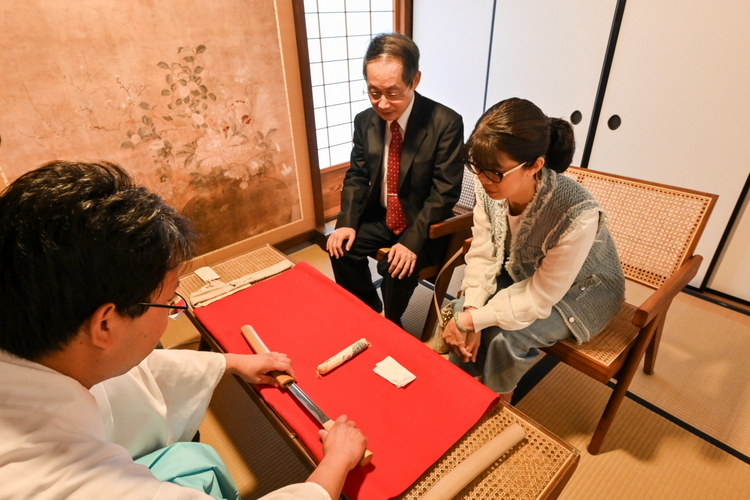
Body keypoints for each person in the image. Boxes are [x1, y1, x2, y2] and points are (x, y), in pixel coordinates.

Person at [0, 161, 367, 500]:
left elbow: (127, 376)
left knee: (195, 460)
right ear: (105, 324)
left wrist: (231, 363)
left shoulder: (39, 349)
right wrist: (336, 461)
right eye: (170, 301)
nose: (173, 312)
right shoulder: (69, 484)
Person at [442, 98, 626, 402]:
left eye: (496, 172)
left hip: (582, 291)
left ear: (535, 165)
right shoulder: (489, 184)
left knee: (507, 337)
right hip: (523, 272)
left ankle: (496, 408)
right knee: (463, 309)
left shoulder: (577, 214)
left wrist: (473, 322)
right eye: (478, 167)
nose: (484, 179)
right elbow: (484, 252)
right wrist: (472, 312)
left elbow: (542, 296)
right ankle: (461, 397)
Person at [326, 33, 464, 328]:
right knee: (339, 247)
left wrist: (411, 242)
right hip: (382, 216)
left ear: (415, 80)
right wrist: (346, 221)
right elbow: (358, 175)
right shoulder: (365, 121)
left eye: (393, 92)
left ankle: (392, 321)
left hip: (425, 224)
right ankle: (367, 309)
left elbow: (445, 192)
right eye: (374, 92)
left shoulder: (445, 122)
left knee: (395, 268)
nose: (383, 103)